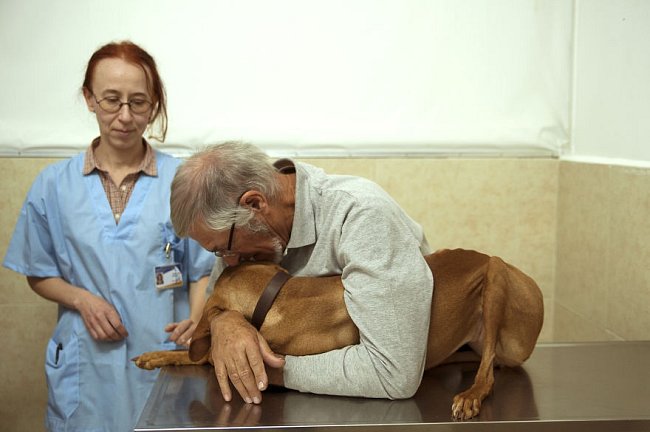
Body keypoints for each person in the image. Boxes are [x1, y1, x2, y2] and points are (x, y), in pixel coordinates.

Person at [3, 41, 215, 432]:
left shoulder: (182, 182)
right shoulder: (53, 184)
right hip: (86, 365)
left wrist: (198, 324)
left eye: (138, 103)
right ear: (89, 99)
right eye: (111, 100)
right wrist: (82, 300)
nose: (124, 116)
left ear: (153, 105)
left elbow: (203, 269)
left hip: (164, 352)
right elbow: (38, 271)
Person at [170, 141, 433, 405]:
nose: (228, 262)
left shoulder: (362, 215)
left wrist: (266, 371)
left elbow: (393, 374)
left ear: (254, 204)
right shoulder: (239, 238)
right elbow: (217, 303)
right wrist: (222, 321)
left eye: (223, 249)